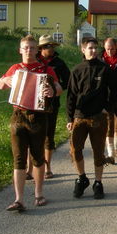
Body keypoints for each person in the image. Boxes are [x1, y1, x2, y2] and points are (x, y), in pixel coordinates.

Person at [0, 35, 62, 212]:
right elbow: (0, 85)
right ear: (20, 50)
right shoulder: (15, 68)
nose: (29, 51)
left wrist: (52, 90)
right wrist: (5, 80)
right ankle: (19, 199)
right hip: (18, 115)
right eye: (25, 48)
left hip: (38, 116)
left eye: (32, 48)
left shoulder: (45, 69)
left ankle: (38, 194)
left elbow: (59, 88)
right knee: (19, 158)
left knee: (38, 156)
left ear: (37, 50)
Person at [66, 37, 114, 199]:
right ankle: (82, 178)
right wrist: (70, 118)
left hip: (98, 117)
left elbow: (113, 91)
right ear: (83, 50)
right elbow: (71, 96)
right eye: (90, 48)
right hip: (80, 117)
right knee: (75, 150)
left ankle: (98, 182)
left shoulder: (104, 69)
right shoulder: (77, 70)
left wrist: (107, 109)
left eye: (95, 48)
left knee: (98, 151)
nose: (93, 51)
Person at [34, 34, 70, 178]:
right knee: (34, 135)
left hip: (52, 104)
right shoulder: (33, 60)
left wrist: (55, 89)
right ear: (41, 48)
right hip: (33, 104)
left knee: (49, 135)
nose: (52, 49)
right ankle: (34, 168)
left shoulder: (59, 63)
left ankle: (47, 167)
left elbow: (68, 81)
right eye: (49, 46)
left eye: (53, 46)